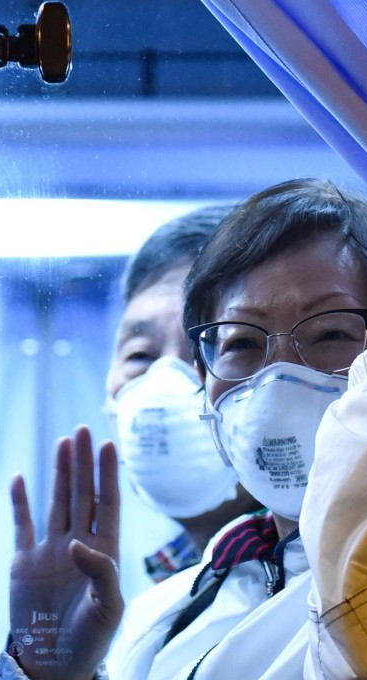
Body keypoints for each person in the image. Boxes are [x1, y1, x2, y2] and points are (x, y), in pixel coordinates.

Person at [0, 179, 367, 680]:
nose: (276, 377)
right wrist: (46, 670)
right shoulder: (162, 616)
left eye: (330, 333)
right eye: (241, 342)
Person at [104, 206, 262, 582]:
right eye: (140, 354)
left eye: (216, 347)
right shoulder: (167, 588)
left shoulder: (329, 579)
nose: (164, 384)